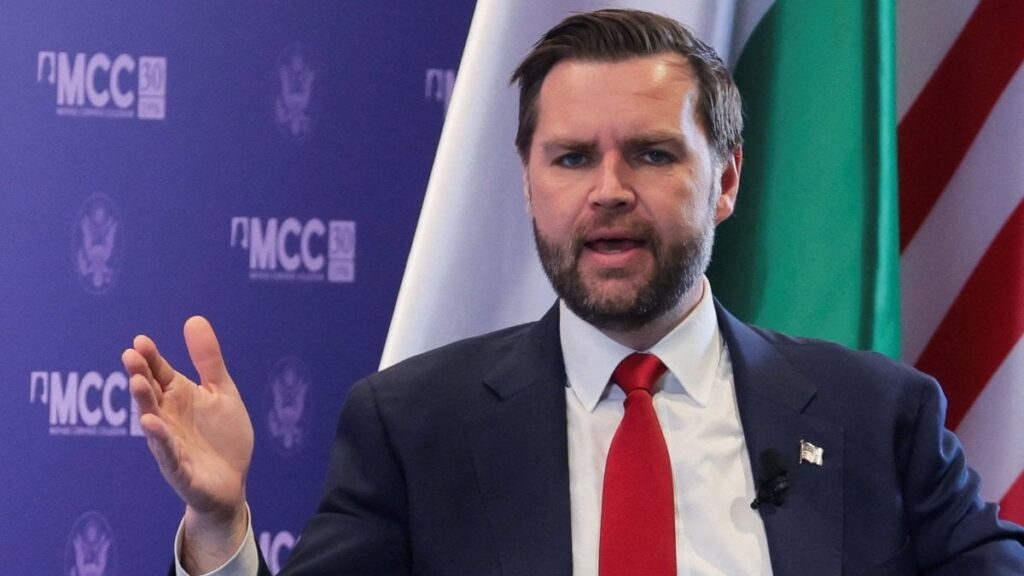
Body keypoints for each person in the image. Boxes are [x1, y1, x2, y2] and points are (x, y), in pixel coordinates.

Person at [122, 8, 1024, 576]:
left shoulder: (877, 416)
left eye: (653, 154)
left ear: (725, 180)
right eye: (571, 158)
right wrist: (220, 527)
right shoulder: (415, 426)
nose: (608, 191)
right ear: (527, 182)